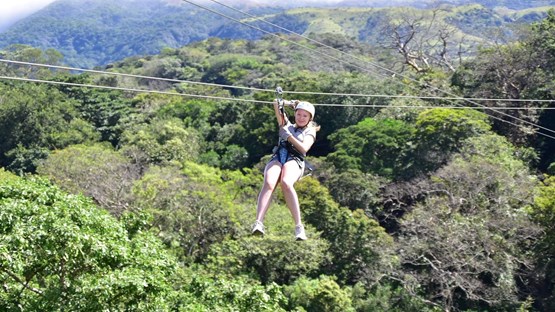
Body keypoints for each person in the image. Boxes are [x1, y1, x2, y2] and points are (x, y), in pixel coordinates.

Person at [252, 98, 320, 240]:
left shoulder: (310, 131)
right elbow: (276, 103)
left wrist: (288, 137)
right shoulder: (286, 124)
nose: (301, 118)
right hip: (278, 157)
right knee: (269, 183)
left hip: (295, 160)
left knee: (286, 183)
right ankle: (258, 223)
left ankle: (299, 227)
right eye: (299, 114)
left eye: (305, 116)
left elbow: (303, 148)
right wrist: (290, 103)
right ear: (295, 114)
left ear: (310, 118)